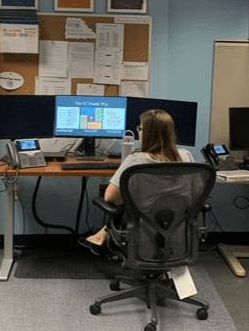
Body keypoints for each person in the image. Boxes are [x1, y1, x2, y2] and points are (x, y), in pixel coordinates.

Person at [80, 108, 194, 255]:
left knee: (122, 204)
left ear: (145, 133)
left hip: (141, 229)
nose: (138, 132)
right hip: (178, 228)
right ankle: (101, 235)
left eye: (140, 128)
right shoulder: (186, 157)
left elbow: (110, 197)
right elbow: (195, 192)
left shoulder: (136, 160)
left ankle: (102, 236)